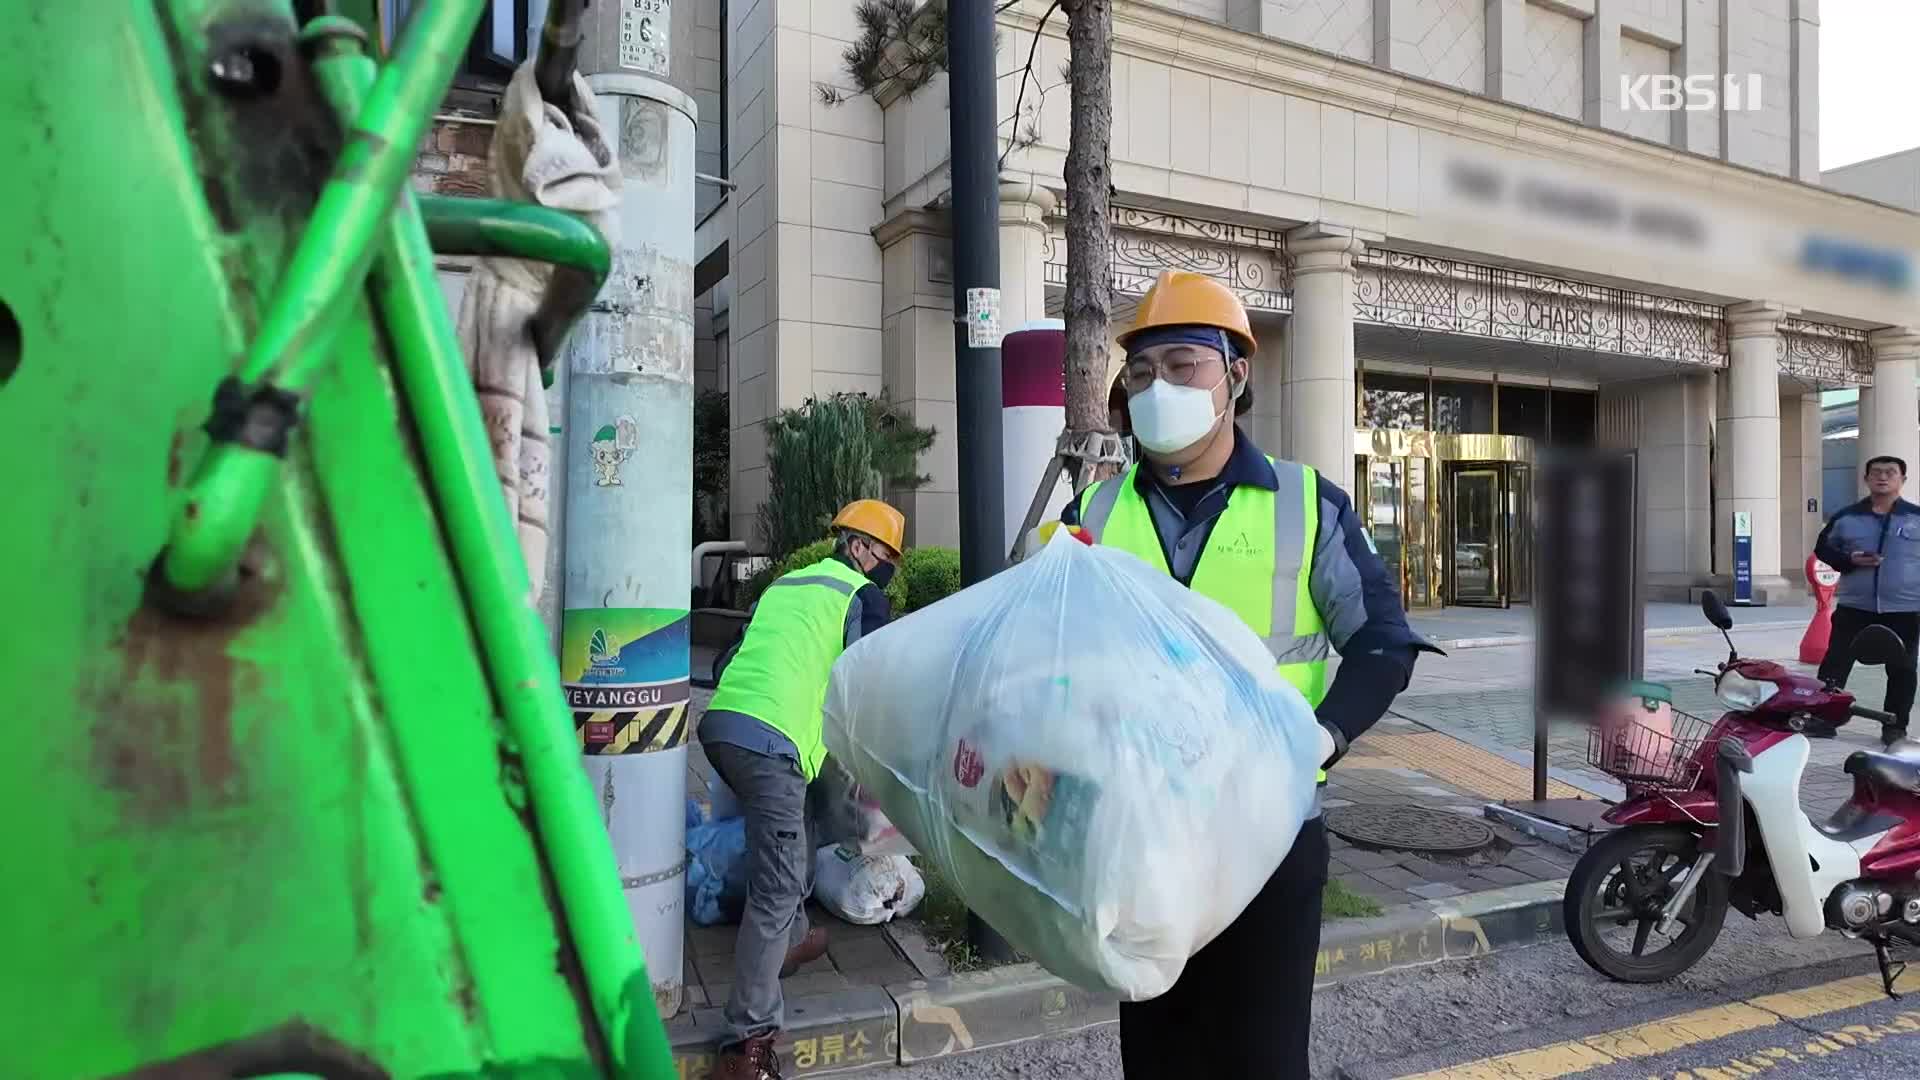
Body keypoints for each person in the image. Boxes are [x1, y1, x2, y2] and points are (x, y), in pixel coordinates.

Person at [1056, 270, 1438, 1078]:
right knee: (1158, 1058)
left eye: (1184, 363)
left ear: (1236, 375)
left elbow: (1382, 645)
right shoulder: (1092, 515)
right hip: (1141, 841)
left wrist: (1323, 737)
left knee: (1260, 1060)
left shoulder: (1307, 506)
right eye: (1142, 371)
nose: (1159, 386)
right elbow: (1053, 661)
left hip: (1267, 838)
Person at [700, 499, 905, 1080]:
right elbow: (870, 678)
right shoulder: (860, 595)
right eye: (887, 554)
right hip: (771, 745)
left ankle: (787, 941)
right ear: (860, 546)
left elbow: (726, 662)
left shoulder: (790, 583)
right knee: (777, 881)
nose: (888, 565)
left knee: (802, 824)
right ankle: (748, 1043)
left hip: (722, 727)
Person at [1814, 455, 1920, 747]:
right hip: (1855, 606)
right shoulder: (1847, 517)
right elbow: (1823, 549)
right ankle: (1824, 718)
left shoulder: (1916, 517)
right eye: (1876, 473)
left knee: (1903, 669)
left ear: (1903, 480)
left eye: (1890, 473)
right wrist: (1848, 560)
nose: (1883, 477)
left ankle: (1895, 725)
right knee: (1835, 663)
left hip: (1905, 608)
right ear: (1866, 479)